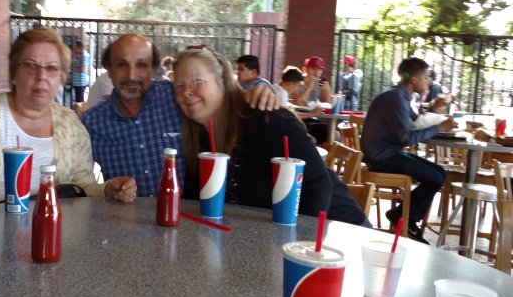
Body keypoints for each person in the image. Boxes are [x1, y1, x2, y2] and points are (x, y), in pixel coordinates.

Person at [0, 28, 136, 203]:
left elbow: (84, 187)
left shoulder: (71, 125)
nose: (41, 76)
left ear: (61, 78)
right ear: (14, 72)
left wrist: (108, 190)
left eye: (52, 68)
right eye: (30, 65)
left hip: (54, 229)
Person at [173, 47, 369, 226]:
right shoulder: (198, 140)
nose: (187, 92)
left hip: (339, 231)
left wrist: (294, 244)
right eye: (179, 85)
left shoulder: (263, 118)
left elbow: (317, 184)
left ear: (223, 81)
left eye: (197, 81)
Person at [82, 36, 278, 197]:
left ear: (153, 69)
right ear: (109, 71)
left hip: (189, 221)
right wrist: (107, 189)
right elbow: (82, 184)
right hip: (127, 225)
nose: (131, 74)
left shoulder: (179, 98)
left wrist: (251, 95)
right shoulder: (91, 123)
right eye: (121, 64)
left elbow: (218, 99)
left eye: (141, 64)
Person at [361, 57, 456, 243]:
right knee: (436, 177)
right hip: (381, 157)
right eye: (426, 77)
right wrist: (438, 128)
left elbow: (416, 121)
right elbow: (406, 138)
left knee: (439, 173)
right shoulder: (396, 98)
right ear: (413, 79)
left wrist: (435, 108)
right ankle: (405, 219)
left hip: (389, 152)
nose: (429, 82)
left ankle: (401, 215)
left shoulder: (400, 96)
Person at [294, 56, 332, 144]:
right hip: (299, 118)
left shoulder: (320, 85)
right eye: (313, 69)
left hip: (313, 118)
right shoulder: (298, 82)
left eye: (319, 70)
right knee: (321, 131)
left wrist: (327, 91)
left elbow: (327, 106)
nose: (316, 73)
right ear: (307, 69)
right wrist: (310, 87)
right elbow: (298, 102)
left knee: (333, 134)